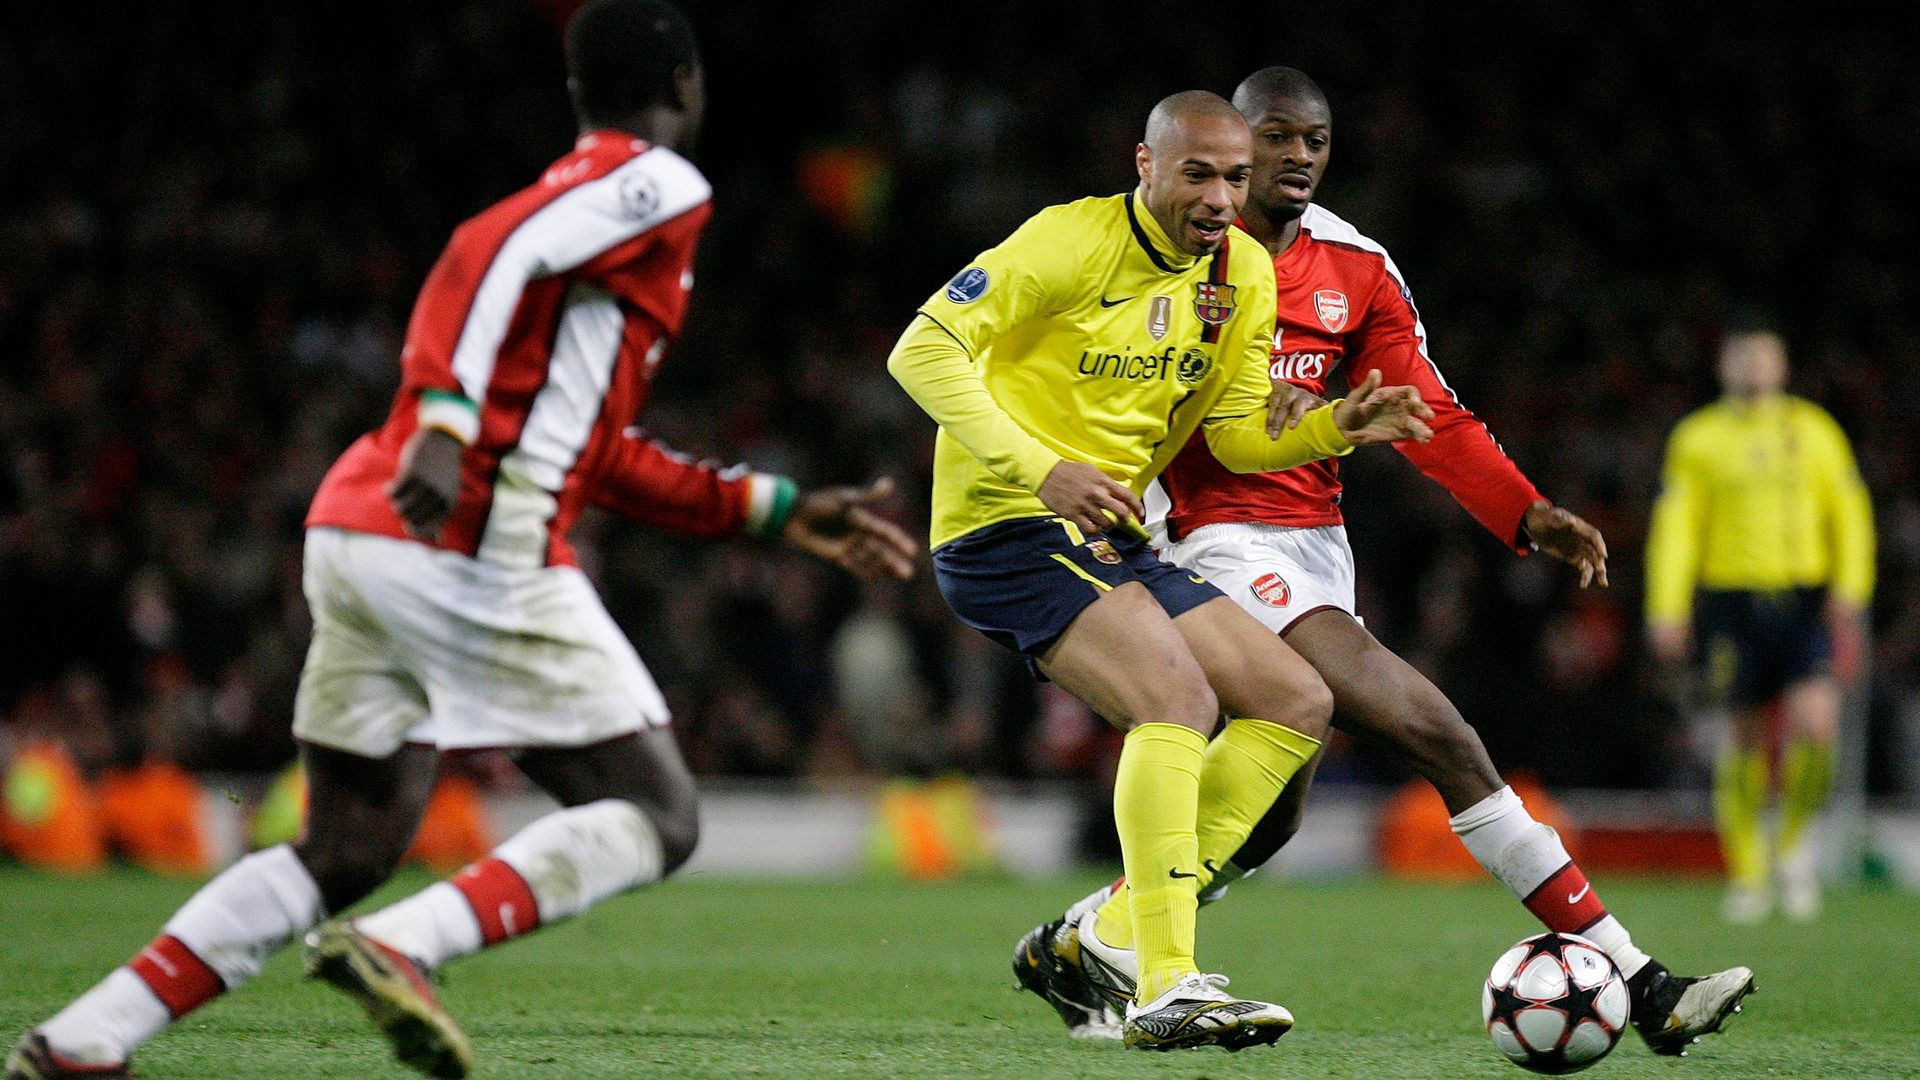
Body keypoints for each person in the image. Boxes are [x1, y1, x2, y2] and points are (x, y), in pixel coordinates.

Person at [5, 4, 918, 1079]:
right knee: (658, 814)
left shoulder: (598, 237)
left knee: (346, 843)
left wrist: (770, 508)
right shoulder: (660, 182)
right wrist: (441, 414)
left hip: (359, 534)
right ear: (683, 85)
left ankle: (85, 1035)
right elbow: (488, 248)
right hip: (470, 538)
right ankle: (407, 943)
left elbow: (599, 450)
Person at [1011, 67, 1754, 1057]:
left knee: (1269, 823)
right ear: (1232, 145)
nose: (1298, 158)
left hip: (1316, 546)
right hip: (1203, 539)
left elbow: (1428, 414)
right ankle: (1638, 978)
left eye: (1314, 141)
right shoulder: (1174, 255)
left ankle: (1089, 936)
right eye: (1275, 138)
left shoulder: (1357, 267)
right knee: (1433, 729)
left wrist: (1524, 512)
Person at [889, 89, 1435, 1051]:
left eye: (1234, 177)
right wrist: (1041, 466)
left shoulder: (1245, 278)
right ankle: (1167, 982)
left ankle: (1105, 936)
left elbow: (1228, 435)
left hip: (1108, 531)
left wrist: (1328, 428)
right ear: (1144, 166)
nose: (1221, 197)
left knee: (1294, 702)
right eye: (1197, 173)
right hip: (1004, 522)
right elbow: (922, 350)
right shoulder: (1068, 243)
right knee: (1177, 701)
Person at [1646, 326, 1874, 924]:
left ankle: (1794, 847)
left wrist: (1852, 586)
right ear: (1724, 365)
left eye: (1762, 355)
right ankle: (1748, 873)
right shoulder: (1699, 437)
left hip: (1803, 599)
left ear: (1782, 364)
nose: (1752, 366)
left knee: (1817, 728)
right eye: (1741, 355)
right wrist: (1666, 608)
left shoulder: (1816, 430)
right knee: (1743, 737)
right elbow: (1677, 527)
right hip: (1729, 602)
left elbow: (1848, 511)